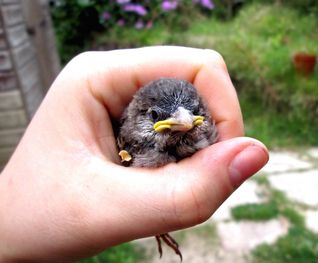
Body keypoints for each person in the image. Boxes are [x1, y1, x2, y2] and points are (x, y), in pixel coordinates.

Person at [0, 46, 269, 262]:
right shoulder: (133, 142)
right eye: (155, 115)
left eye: (193, 110)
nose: (184, 118)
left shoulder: (205, 128)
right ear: (142, 115)